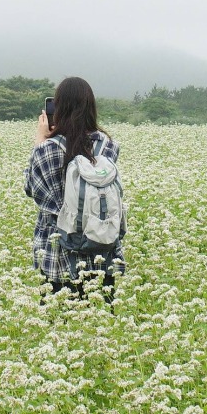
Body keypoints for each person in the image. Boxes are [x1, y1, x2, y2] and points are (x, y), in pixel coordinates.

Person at [24, 75, 124, 297]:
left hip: (58, 258)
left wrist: (40, 141)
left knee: (57, 325)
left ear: (58, 109)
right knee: (99, 323)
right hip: (101, 252)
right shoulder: (109, 146)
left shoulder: (46, 149)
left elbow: (31, 189)